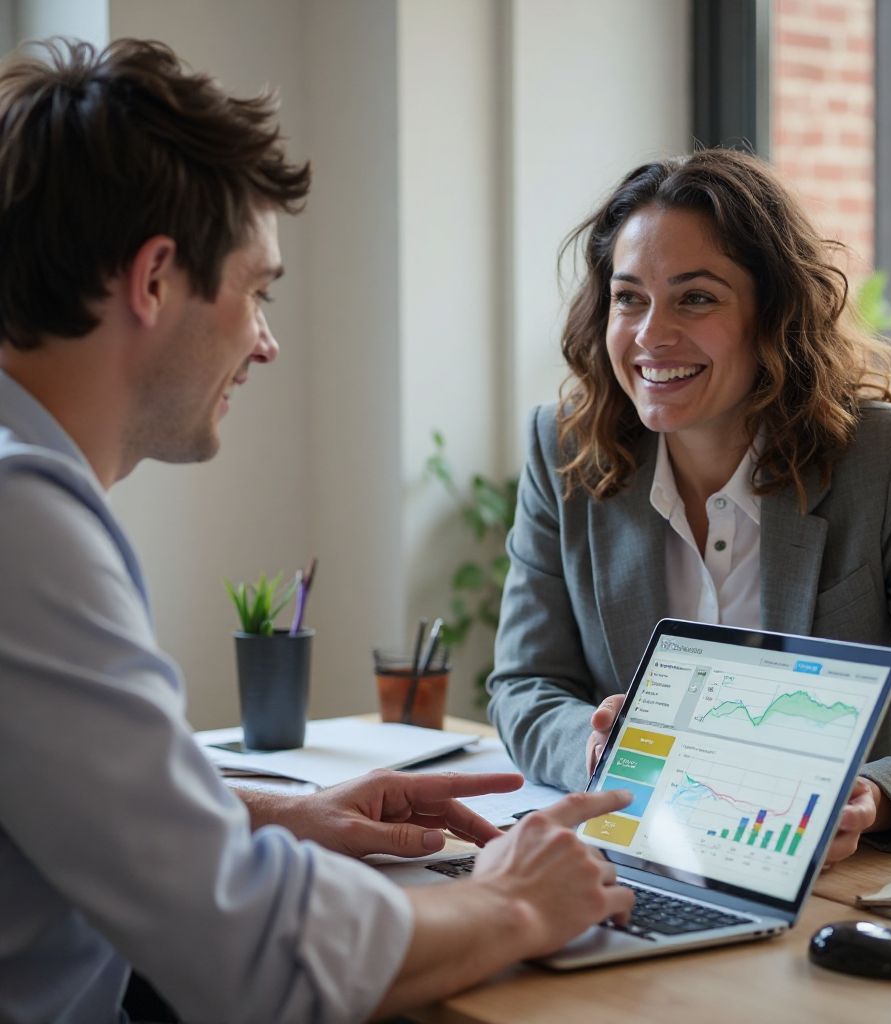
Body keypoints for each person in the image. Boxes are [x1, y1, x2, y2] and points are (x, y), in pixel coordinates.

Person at [0, 38, 635, 1024]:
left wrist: (270, 813)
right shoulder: (23, 520)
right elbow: (254, 959)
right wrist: (508, 901)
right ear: (156, 278)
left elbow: (46, 797)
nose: (266, 339)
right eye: (257, 289)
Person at [487, 148, 891, 862]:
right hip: (638, 862)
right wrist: (596, 743)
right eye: (629, 297)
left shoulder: (885, 463)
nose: (651, 335)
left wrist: (877, 797)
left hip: (831, 881)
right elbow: (526, 686)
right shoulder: (566, 453)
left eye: (696, 297)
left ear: (772, 314)